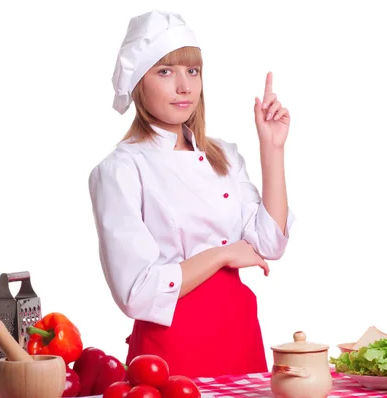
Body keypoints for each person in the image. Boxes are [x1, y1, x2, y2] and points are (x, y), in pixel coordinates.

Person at [88, 9, 296, 378]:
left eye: (192, 71)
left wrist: (272, 148)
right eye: (165, 71)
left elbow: (269, 243)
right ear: (139, 82)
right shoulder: (120, 170)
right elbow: (136, 292)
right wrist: (222, 255)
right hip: (171, 351)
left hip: (240, 334)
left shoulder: (224, 156)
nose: (185, 86)